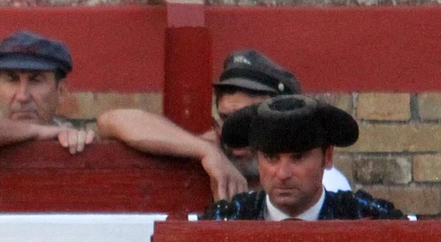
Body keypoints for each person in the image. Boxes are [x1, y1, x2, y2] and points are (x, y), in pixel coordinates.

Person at [97, 49, 350, 201]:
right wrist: (205, 150)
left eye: (250, 123)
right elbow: (112, 120)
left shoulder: (324, 183)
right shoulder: (216, 147)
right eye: (227, 120)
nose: (235, 138)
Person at [201, 96, 402, 220]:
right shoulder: (228, 218)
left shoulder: (368, 217)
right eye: (271, 158)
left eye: (298, 158)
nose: (283, 173)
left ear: (328, 157)